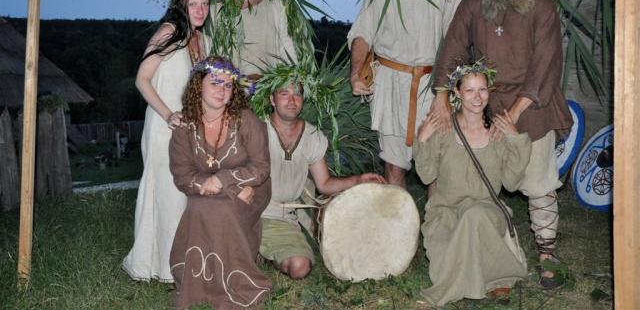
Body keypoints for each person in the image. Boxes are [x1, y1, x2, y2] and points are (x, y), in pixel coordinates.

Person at [429, 0, 573, 288]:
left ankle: (547, 254)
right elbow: (453, 47)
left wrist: (517, 111)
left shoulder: (541, 4)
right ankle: (491, 250)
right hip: (488, 105)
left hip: (533, 104)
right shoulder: (474, 2)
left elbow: (546, 62)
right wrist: (441, 96)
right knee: (486, 184)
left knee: (538, 180)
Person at [348, 0, 464, 188]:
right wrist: (356, 73)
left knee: (436, 166)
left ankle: (437, 217)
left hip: (433, 83)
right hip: (390, 83)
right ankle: (397, 217)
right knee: (393, 164)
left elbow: (456, 38)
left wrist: (443, 93)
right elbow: (363, 32)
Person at [413, 62, 532, 306]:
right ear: (457, 92)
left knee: (474, 215)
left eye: (482, 90)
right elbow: (426, 176)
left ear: (489, 91)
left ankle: (495, 276)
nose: (477, 97)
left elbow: (511, 184)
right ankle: (485, 274)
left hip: (485, 212)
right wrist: (422, 139)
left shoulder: (497, 132)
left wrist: (516, 139)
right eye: (469, 90)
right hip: (446, 211)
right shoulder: (444, 129)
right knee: (442, 268)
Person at [122, 0, 215, 282]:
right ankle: (167, 268)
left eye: (205, 4)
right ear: (180, 5)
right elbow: (141, 79)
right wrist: (168, 115)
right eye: (194, 4)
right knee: (168, 195)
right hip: (165, 127)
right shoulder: (169, 32)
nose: (200, 10)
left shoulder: (202, 40)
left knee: (186, 198)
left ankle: (182, 261)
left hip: (191, 129)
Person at [169, 56, 272, 309]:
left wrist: (224, 180)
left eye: (227, 85)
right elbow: (182, 175)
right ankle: (200, 284)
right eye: (215, 82)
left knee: (221, 209)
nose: (222, 90)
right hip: (207, 189)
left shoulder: (247, 120)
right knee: (200, 206)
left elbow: (261, 168)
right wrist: (217, 184)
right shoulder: (184, 126)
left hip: (252, 188)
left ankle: (237, 281)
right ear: (198, 85)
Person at [259, 81, 385, 279]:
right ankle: (253, 246)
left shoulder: (311, 135)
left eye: (297, 94)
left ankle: (268, 253)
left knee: (300, 267)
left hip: (281, 219)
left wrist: (358, 180)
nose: (292, 100)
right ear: (272, 100)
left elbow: (324, 184)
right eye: (284, 93)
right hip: (248, 214)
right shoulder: (256, 128)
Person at [210, 0, 297, 78]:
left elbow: (287, 46)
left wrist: (293, 77)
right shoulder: (215, 10)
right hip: (232, 85)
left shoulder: (274, 6)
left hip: (269, 84)